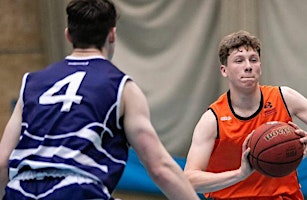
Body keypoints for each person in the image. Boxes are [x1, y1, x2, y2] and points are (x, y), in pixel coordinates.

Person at [0, 0, 199, 199]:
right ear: (112, 35)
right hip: (77, 191)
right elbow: (160, 168)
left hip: (20, 190)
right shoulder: (122, 87)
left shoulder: (31, 83)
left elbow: (2, 161)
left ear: (68, 34)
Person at [184, 30, 307, 200]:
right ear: (224, 70)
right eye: (239, 61)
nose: (248, 66)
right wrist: (240, 174)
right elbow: (189, 179)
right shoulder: (213, 119)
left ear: (260, 67)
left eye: (253, 60)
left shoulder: (284, 97)